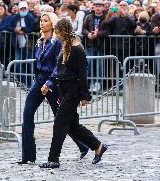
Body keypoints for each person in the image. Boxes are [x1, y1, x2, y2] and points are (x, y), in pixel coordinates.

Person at [17, 12, 89, 165]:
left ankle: (84, 145)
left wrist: (49, 83)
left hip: (54, 83)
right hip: (39, 82)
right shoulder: (39, 41)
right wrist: (37, 81)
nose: (42, 23)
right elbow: (38, 64)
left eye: (45, 21)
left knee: (63, 120)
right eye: (41, 20)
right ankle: (28, 155)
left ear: (52, 24)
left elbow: (58, 66)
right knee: (27, 113)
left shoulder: (57, 43)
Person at [40, 18, 107, 169]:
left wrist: (85, 95)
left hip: (73, 91)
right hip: (63, 89)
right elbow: (61, 70)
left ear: (63, 31)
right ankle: (98, 146)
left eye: (57, 32)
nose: (56, 36)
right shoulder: (65, 46)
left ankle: (53, 159)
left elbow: (83, 74)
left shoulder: (78, 49)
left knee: (59, 123)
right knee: (72, 126)